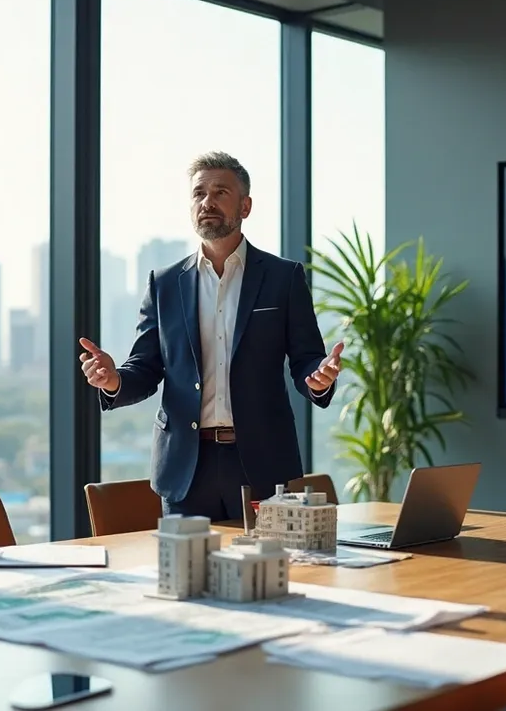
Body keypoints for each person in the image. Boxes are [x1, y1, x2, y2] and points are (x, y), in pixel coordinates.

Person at [79, 151, 343, 521]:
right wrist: (113, 380)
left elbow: (306, 359)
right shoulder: (165, 284)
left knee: (267, 576)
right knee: (188, 576)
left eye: (221, 192)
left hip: (263, 464)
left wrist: (318, 378)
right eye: (199, 193)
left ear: (245, 206)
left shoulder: (284, 278)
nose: (207, 202)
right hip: (186, 468)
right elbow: (146, 367)